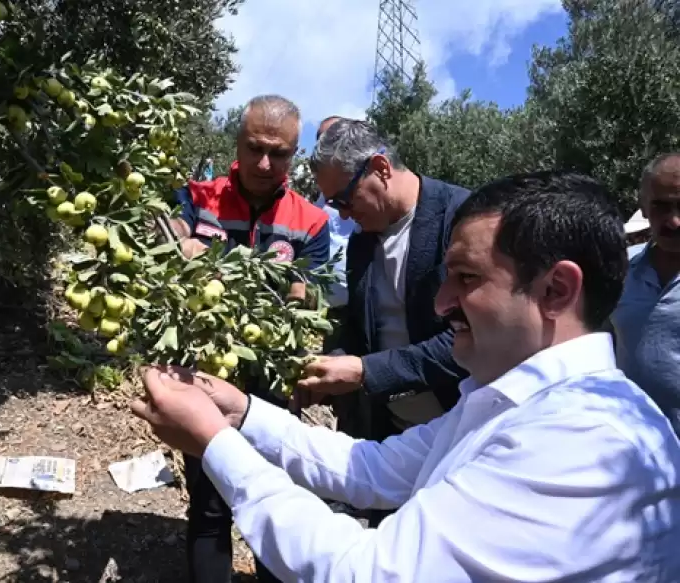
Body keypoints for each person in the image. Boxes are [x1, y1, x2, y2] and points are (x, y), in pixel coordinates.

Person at [132, 170, 680, 582]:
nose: (442, 303)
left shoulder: (583, 442)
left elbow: (364, 572)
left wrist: (215, 443)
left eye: (466, 279)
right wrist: (242, 415)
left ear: (556, 291)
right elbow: (368, 467)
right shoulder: (510, 404)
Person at [168, 94, 330, 583]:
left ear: (294, 154)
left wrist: (300, 298)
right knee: (210, 503)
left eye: (278, 153)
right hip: (201, 372)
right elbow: (166, 236)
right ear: (236, 142)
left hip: (269, 385)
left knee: (274, 502)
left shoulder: (311, 221)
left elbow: (309, 301)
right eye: (254, 147)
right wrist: (177, 239)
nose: (264, 163)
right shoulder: (197, 198)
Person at [300, 119, 470, 446]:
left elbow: (473, 339)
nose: (344, 216)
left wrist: (366, 371)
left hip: (459, 437)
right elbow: (357, 325)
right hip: (391, 437)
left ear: (380, 168)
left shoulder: (462, 220)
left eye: (345, 199)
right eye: (334, 205)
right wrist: (333, 362)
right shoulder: (362, 242)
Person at [612, 153, 680, 435]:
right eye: (662, 207)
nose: (674, 221)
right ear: (643, 206)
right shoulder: (619, 271)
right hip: (634, 451)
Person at [311, 115, 356, 349]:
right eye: (320, 140)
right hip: (317, 314)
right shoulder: (317, 204)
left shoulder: (360, 199)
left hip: (353, 315)